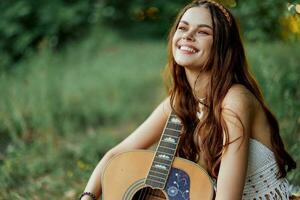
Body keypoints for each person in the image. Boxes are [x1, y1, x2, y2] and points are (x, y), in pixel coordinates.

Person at [79, 0, 297, 199]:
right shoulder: (182, 101)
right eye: (182, 28)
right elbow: (118, 153)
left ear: (222, 46)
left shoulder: (235, 101)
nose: (188, 36)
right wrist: (87, 197)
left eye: (203, 32)